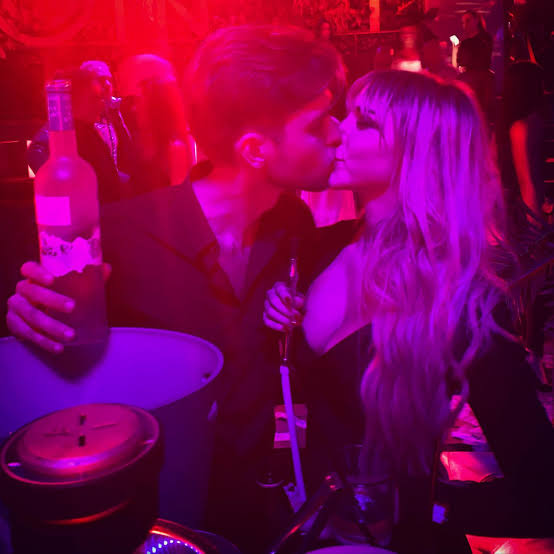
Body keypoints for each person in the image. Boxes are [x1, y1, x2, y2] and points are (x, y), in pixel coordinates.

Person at [5, 25, 345, 554]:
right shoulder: (121, 236)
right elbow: (54, 365)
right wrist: (29, 317)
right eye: (319, 122)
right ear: (255, 149)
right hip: (151, 521)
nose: (338, 133)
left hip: (249, 508)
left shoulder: (292, 225)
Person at [263, 70, 554, 553]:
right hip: (318, 533)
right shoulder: (318, 248)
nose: (336, 131)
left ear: (415, 152)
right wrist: (273, 318)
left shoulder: (462, 297)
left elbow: (543, 491)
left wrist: (429, 508)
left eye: (364, 122)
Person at [27, 66, 136, 204]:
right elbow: (36, 153)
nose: (101, 105)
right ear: (74, 99)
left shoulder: (88, 128)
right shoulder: (60, 134)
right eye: (95, 98)